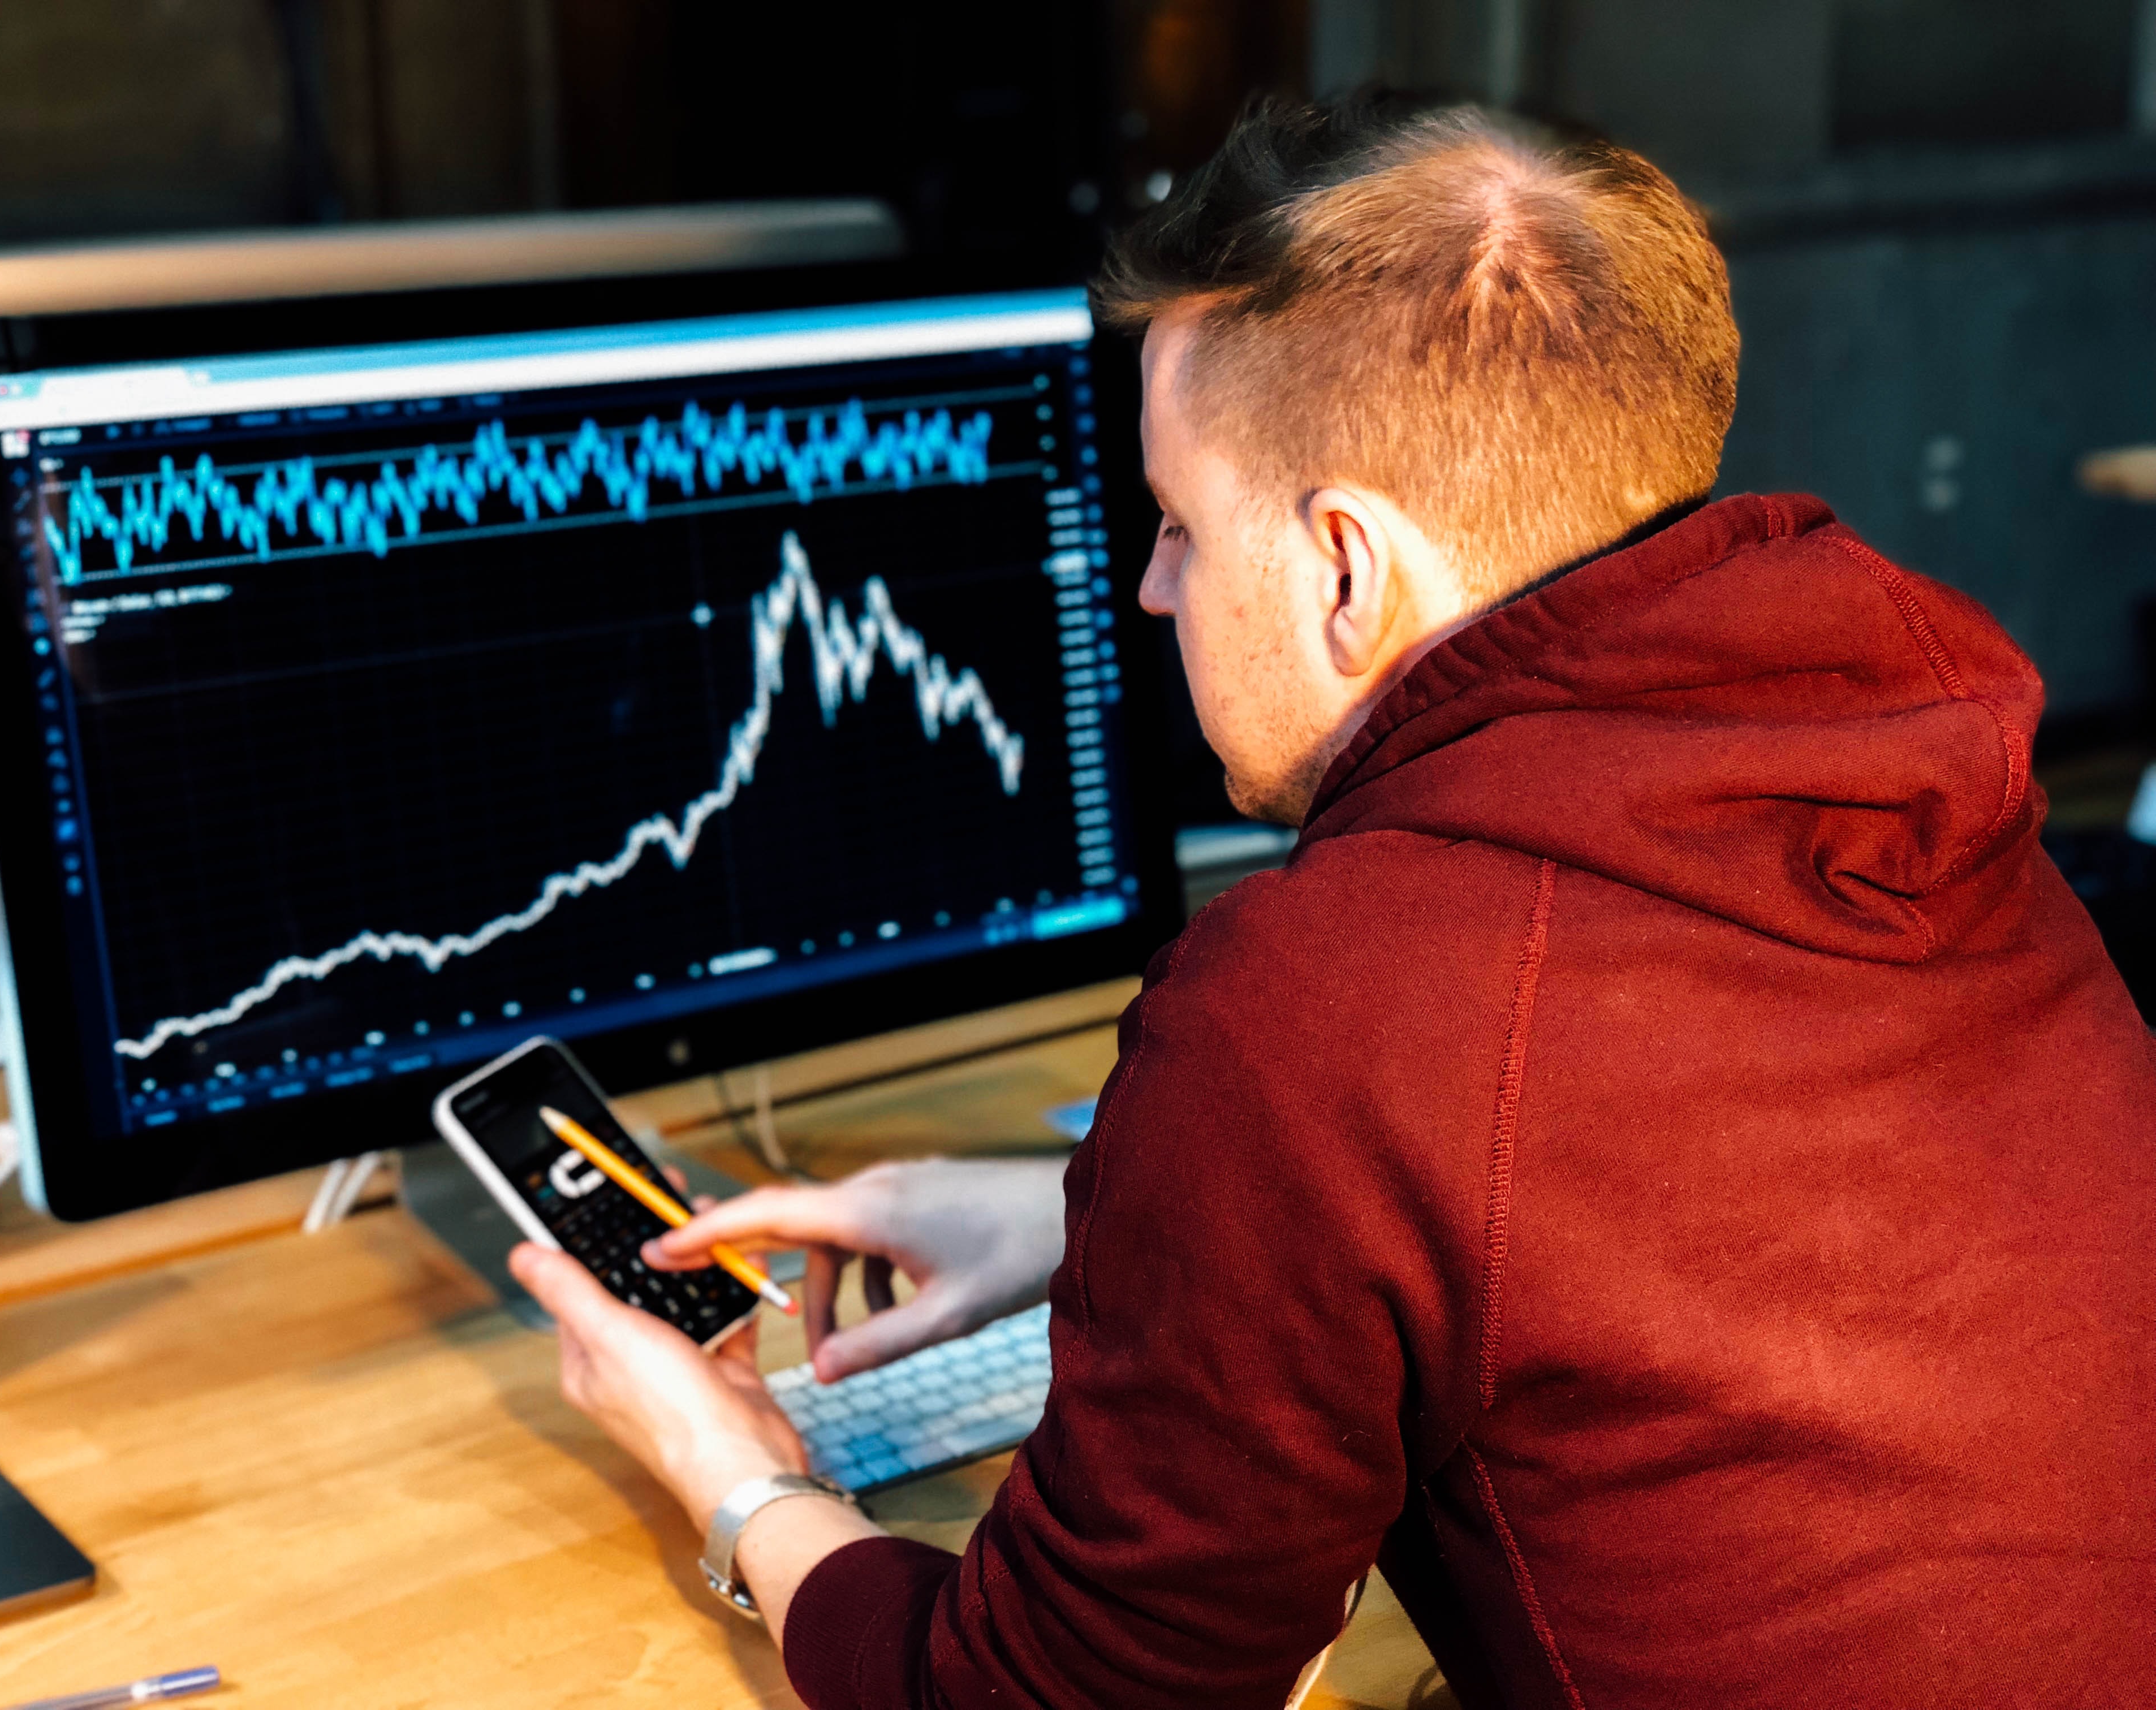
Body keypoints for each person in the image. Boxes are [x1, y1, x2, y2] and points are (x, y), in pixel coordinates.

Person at [508, 94, 2156, 1708]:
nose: (1153, 585)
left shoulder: (1331, 1000)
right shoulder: (1920, 785)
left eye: (1178, 524)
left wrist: (731, 1473)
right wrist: (1099, 1215)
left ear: (1346, 568)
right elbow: (1646, 1198)